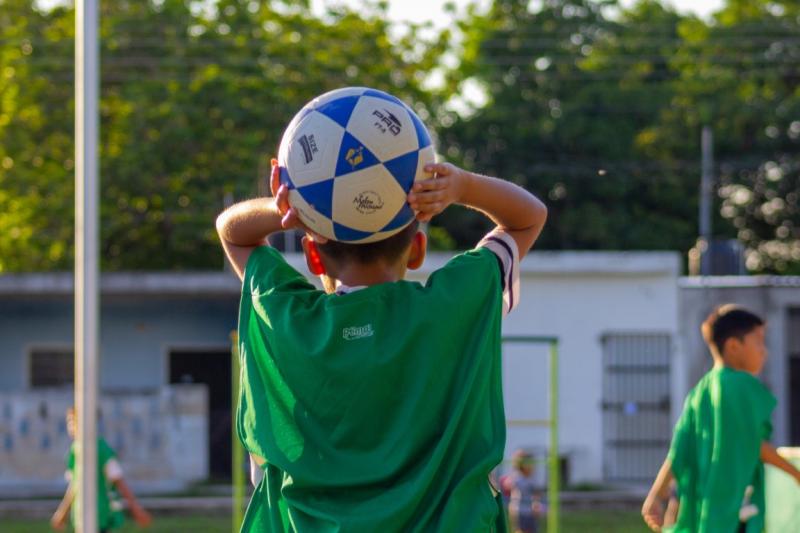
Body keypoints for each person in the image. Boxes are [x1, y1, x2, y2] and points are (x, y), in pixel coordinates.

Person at [216, 158, 547, 531]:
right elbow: (528, 216)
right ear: (418, 248)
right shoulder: (455, 306)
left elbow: (231, 231)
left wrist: (297, 206)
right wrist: (462, 186)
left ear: (312, 256)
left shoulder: (284, 319)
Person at [641, 305, 800, 532]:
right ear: (734, 346)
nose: (764, 351)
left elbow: (679, 450)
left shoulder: (700, 391)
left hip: (704, 507)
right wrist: (796, 474)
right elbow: (754, 445)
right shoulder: (738, 386)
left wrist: (656, 494)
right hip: (735, 507)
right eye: (759, 342)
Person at [51, 407, 152, 532]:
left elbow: (119, 482)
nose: (72, 425)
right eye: (70, 421)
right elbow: (75, 484)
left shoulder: (101, 449)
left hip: (103, 516)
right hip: (81, 515)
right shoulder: (74, 451)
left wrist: (136, 510)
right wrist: (63, 512)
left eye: (76, 421)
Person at [501, 449, 545, 533]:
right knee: (520, 530)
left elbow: (536, 493)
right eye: (528, 464)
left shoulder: (532, 479)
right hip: (519, 511)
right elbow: (506, 485)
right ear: (522, 465)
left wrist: (536, 505)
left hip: (530, 512)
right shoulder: (517, 478)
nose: (531, 466)